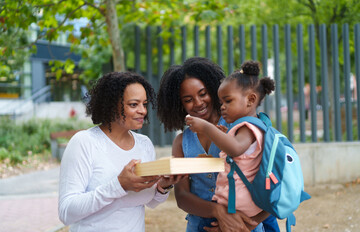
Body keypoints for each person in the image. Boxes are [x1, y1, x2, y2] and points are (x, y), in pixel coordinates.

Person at [157, 57, 276, 232]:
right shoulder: (182, 142)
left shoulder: (242, 129)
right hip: (199, 226)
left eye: (202, 93)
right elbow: (182, 197)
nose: (198, 103)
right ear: (179, 104)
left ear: (213, 90)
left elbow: (269, 181)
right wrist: (218, 212)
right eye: (188, 99)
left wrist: (241, 221)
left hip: (242, 225)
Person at [58, 71, 184, 232]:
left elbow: (149, 202)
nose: (143, 111)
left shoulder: (144, 145)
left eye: (144, 104)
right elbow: (66, 212)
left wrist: (163, 186)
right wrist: (119, 185)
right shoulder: (84, 142)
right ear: (111, 105)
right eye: (134, 104)